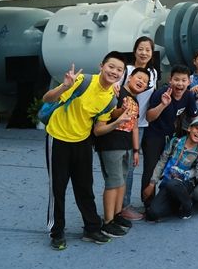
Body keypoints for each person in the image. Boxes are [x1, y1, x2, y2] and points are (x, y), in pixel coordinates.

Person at [44, 52, 129, 250]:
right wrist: (64, 86)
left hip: (82, 142)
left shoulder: (110, 99)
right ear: (101, 66)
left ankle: (92, 228)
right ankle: (57, 232)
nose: (114, 72)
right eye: (111, 67)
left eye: (119, 70)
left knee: (85, 187)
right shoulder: (82, 80)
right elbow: (47, 99)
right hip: (58, 138)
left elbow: (98, 130)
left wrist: (116, 122)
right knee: (58, 188)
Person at [93, 67, 150, 238]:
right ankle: (108, 221)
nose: (141, 82)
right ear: (130, 77)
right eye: (139, 78)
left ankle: (117, 215)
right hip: (111, 143)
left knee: (122, 181)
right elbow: (111, 114)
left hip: (126, 145)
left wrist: (136, 150)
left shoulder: (135, 102)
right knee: (113, 182)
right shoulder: (117, 91)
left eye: (145, 82)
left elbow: (134, 127)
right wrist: (121, 111)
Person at [142, 65, 197, 206]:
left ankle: (168, 199)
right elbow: (149, 117)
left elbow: (194, 118)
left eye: (183, 80)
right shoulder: (160, 93)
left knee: (172, 167)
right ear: (170, 80)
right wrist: (162, 105)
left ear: (189, 82)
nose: (180, 83)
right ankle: (148, 204)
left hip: (172, 137)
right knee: (151, 168)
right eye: (176, 79)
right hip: (154, 135)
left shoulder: (189, 96)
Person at [120, 36, 158, 221]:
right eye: (140, 49)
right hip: (126, 124)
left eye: (148, 50)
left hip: (143, 125)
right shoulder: (126, 71)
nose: (144, 53)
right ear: (135, 51)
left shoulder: (153, 73)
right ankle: (123, 206)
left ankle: (131, 202)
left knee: (136, 165)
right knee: (127, 167)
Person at [144, 118, 198, 221]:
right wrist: (152, 183)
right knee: (153, 213)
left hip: (185, 184)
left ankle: (188, 204)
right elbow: (162, 162)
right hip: (167, 182)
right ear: (189, 129)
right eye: (197, 128)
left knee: (173, 183)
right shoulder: (175, 142)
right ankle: (177, 205)